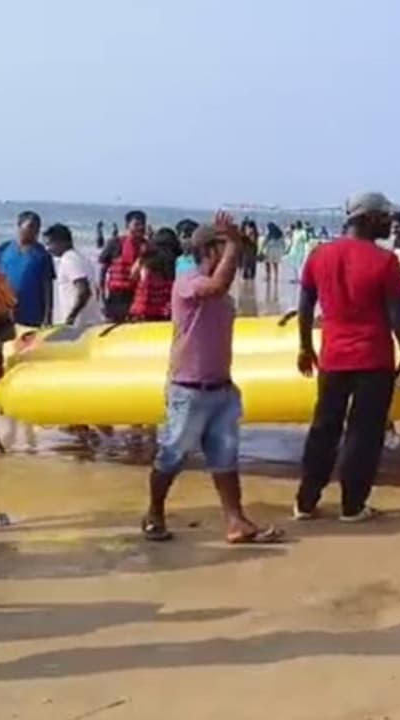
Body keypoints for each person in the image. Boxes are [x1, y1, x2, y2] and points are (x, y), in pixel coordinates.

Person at [141, 217, 283, 544]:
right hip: (188, 390)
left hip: (220, 387)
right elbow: (217, 285)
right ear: (209, 249)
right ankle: (154, 514)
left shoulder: (220, 292)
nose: (232, 254)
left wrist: (233, 244)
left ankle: (236, 521)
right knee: (172, 455)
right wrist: (234, 243)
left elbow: (221, 286)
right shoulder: (188, 282)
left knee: (225, 457)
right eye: (224, 246)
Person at [295, 192, 400, 522]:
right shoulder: (385, 260)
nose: (390, 223)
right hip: (373, 359)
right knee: (364, 434)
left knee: (323, 429)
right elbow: (397, 314)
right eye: (384, 217)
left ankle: (306, 502)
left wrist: (305, 346)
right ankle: (352, 505)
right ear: (368, 218)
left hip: (332, 358)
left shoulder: (319, 255)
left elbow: (305, 305)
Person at [0, 211, 54, 327]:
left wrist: (48, 316)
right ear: (19, 226)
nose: (35, 231)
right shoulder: (4, 249)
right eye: (31, 226)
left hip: (32, 313)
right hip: (5, 310)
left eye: (37, 227)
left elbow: (47, 287)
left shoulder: (42, 254)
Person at [44, 224, 101, 327]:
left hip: (79, 324)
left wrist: (71, 316)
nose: (48, 249)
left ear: (61, 242)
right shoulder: (81, 257)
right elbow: (95, 289)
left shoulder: (69, 259)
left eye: (50, 244)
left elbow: (84, 290)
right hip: (90, 321)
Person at [99, 210, 149, 322]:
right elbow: (103, 270)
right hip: (117, 295)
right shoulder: (115, 243)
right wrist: (102, 296)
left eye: (143, 224)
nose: (140, 227)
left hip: (138, 296)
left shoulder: (147, 246)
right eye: (136, 224)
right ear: (127, 226)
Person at [129, 228, 178, 322]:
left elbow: (133, 276)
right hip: (164, 312)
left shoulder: (146, 259)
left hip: (143, 311)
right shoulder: (174, 260)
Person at [261, 222, 287, 286]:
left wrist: (261, 248)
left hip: (270, 250)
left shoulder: (270, 234)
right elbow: (283, 243)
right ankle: (276, 277)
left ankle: (268, 276)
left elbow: (265, 241)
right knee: (275, 264)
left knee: (267, 263)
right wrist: (283, 250)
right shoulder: (280, 234)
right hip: (277, 251)